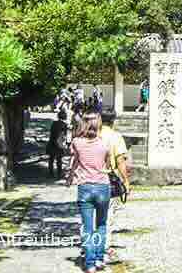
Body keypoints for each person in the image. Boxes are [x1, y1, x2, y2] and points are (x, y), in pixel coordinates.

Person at [67, 111, 111, 273]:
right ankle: (99, 258)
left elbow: (75, 162)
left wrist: (70, 177)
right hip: (102, 186)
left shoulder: (77, 142)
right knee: (101, 224)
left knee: (87, 227)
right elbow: (106, 164)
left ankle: (90, 262)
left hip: (84, 186)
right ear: (99, 124)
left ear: (83, 124)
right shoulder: (105, 143)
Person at [100, 111, 130, 265]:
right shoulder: (115, 136)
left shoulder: (93, 134)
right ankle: (104, 248)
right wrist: (126, 181)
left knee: (91, 216)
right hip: (109, 179)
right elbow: (120, 161)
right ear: (113, 121)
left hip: (91, 179)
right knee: (108, 216)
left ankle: (91, 246)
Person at [46, 110, 69, 179]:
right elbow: (63, 135)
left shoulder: (54, 123)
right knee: (59, 159)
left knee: (51, 159)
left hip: (52, 142)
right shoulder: (64, 125)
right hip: (59, 143)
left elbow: (51, 133)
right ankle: (59, 173)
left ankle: (50, 173)